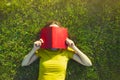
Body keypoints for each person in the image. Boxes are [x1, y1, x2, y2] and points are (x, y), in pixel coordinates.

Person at [21, 21, 92, 80]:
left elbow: (88, 63)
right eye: (50, 30)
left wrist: (73, 47)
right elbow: (24, 63)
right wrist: (34, 49)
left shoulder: (66, 51)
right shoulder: (42, 51)